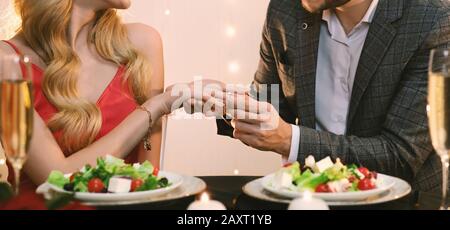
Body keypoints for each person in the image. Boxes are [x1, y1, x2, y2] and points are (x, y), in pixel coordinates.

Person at [215, 0, 450, 192]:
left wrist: (290, 140)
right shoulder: (285, 9)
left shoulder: (432, 20)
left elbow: (400, 156)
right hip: (310, 198)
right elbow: (269, 107)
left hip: (404, 200)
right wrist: (221, 101)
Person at [0, 0, 184, 191]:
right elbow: (56, 179)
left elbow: (148, 180)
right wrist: (154, 107)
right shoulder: (5, 62)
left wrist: (163, 103)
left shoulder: (141, 44)